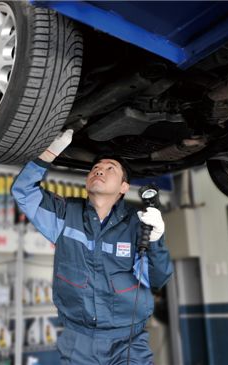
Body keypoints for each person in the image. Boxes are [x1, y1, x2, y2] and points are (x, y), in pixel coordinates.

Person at [12, 130, 174, 364]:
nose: (100, 170)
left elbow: (157, 279)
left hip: (127, 340)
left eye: (111, 169)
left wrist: (157, 239)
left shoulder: (137, 224)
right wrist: (49, 153)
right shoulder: (65, 214)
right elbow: (23, 192)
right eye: (96, 167)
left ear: (123, 187)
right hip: (78, 340)